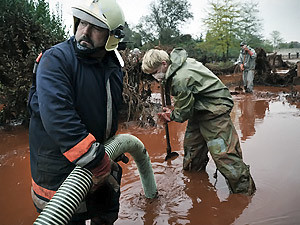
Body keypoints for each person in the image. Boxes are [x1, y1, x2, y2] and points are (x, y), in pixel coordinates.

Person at [27, 1, 144, 224]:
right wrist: (97, 160)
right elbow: (59, 119)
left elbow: (108, 116)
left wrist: (106, 155)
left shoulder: (112, 67)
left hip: (100, 168)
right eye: (82, 23)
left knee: (106, 215)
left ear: (112, 36)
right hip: (60, 180)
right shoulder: (56, 60)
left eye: (96, 27)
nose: (85, 32)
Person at [141, 48, 256, 195]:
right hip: (198, 109)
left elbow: (183, 113)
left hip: (215, 111)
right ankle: (196, 186)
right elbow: (185, 104)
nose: (154, 77)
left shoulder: (180, 78)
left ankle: (245, 194)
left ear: (164, 64)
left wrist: (172, 115)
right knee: (192, 152)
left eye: (154, 72)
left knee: (225, 156)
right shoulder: (178, 64)